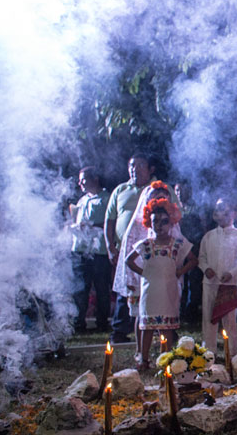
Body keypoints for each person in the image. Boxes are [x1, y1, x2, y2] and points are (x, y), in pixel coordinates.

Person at [113, 180, 183, 365]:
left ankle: (164, 352)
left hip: (164, 278)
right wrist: (133, 277)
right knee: (141, 315)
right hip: (143, 278)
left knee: (164, 313)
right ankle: (140, 351)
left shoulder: (170, 222)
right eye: (156, 196)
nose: (159, 199)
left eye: (163, 196)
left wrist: (177, 273)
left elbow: (179, 252)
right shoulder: (138, 223)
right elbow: (129, 253)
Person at [125, 198, 196, 370]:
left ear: (172, 222)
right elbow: (129, 260)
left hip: (168, 289)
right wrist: (144, 273)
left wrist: (180, 271)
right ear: (149, 222)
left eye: (164, 222)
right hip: (150, 290)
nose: (160, 226)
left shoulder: (178, 243)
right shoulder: (146, 244)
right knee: (147, 326)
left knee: (167, 326)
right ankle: (143, 358)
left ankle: (167, 358)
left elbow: (193, 260)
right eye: (155, 221)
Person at [104, 153, 156, 343]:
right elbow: (109, 220)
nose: (135, 169)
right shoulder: (120, 190)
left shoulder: (157, 189)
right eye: (132, 166)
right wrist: (110, 247)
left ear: (150, 169)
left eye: (140, 165)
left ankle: (160, 327)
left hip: (152, 248)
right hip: (124, 249)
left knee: (154, 286)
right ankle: (120, 330)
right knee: (126, 288)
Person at [199, 199, 237, 357]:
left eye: (228, 213)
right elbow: (202, 258)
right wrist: (206, 269)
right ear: (215, 215)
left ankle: (231, 353)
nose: (224, 216)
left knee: (230, 320)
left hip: (230, 284)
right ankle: (209, 352)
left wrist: (232, 273)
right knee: (208, 318)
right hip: (210, 283)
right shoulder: (208, 236)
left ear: (234, 214)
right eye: (221, 213)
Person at [70, 166, 112, 333]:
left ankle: (102, 323)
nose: (80, 183)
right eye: (79, 180)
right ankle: (79, 323)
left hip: (99, 252)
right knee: (80, 289)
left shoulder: (106, 199)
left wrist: (90, 225)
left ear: (95, 179)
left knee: (102, 289)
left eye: (84, 179)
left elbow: (110, 224)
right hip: (80, 250)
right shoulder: (82, 200)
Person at [175, 181, 205, 326]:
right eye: (177, 190)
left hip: (193, 247)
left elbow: (203, 227)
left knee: (193, 282)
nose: (180, 193)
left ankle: (191, 313)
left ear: (190, 192)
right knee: (180, 282)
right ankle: (179, 312)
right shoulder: (173, 208)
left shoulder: (197, 208)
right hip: (178, 249)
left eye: (183, 190)